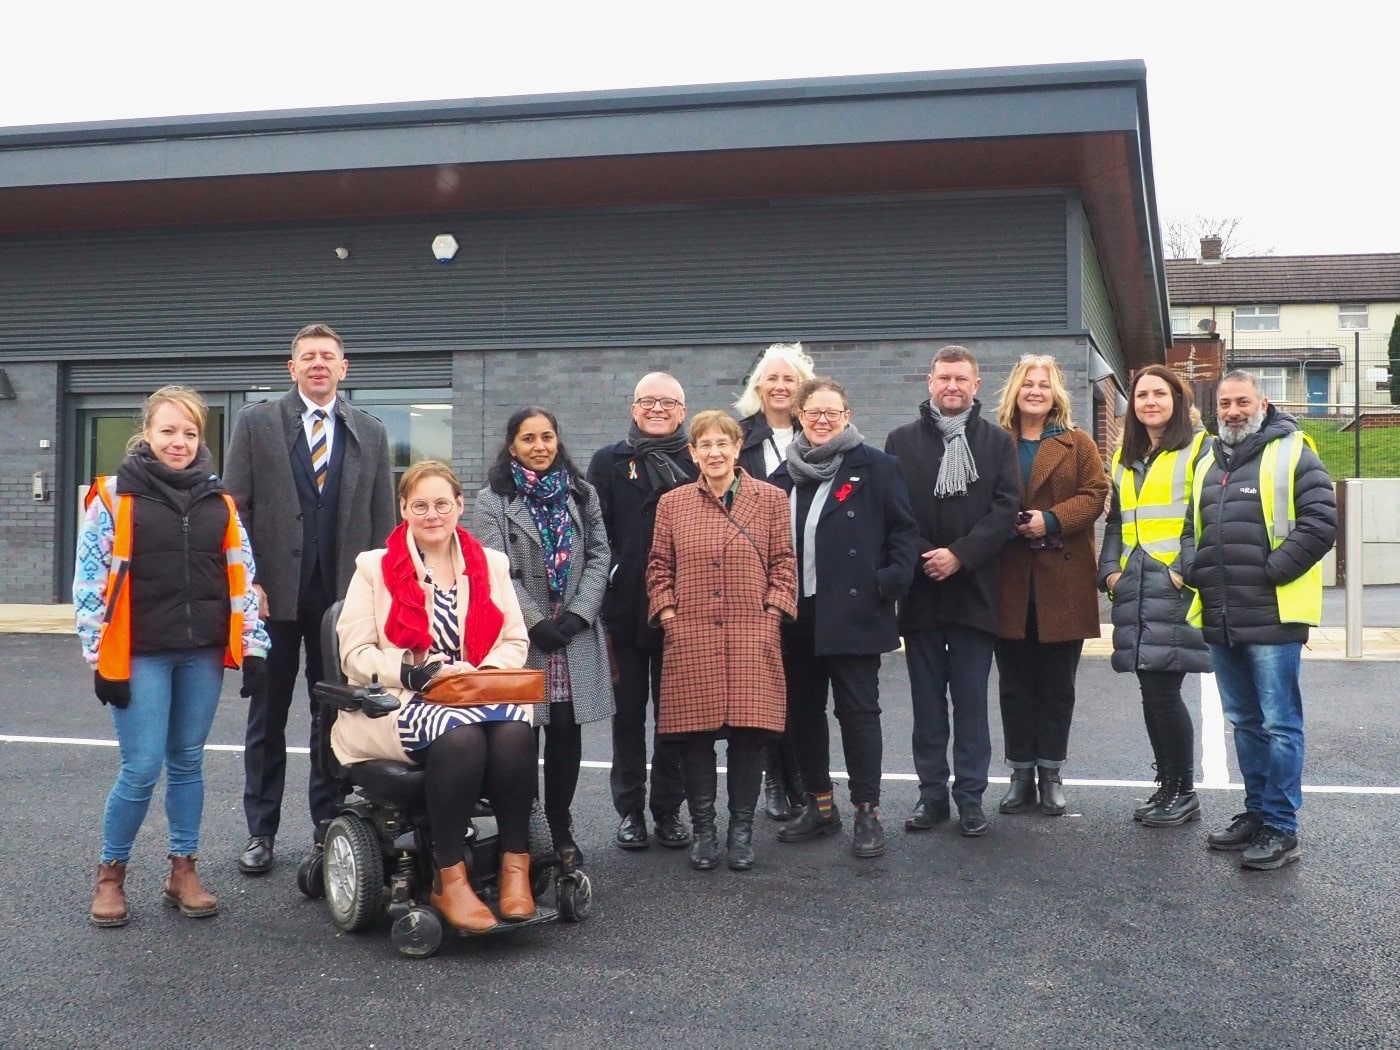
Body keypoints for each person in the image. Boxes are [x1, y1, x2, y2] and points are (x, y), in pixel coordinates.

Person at [75, 386, 270, 927]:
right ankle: (110, 875)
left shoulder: (220, 502)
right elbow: (90, 584)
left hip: (201, 653)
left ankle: (183, 869)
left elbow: (243, 578)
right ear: (146, 433)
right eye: (168, 431)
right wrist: (98, 658)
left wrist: (254, 646)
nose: (178, 442)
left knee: (187, 762)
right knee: (140, 768)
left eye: (189, 432)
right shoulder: (113, 498)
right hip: (138, 656)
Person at [333, 460, 535, 932]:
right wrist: (417, 672)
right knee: (460, 734)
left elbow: (515, 641)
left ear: (459, 506)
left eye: (442, 503)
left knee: (515, 729)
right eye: (420, 505)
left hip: (472, 688)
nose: (432, 514)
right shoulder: (375, 568)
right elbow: (355, 654)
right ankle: (450, 877)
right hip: (401, 698)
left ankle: (514, 865)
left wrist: (476, 671)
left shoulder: (491, 564)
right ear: (404, 508)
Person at [225, 323, 397, 876]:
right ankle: (261, 831)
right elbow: (236, 511)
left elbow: (383, 520)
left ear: (344, 369)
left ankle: (329, 824)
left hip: (341, 603)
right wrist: (247, 581)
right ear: (291, 368)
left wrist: (378, 596)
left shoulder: (369, 432)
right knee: (267, 715)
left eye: (328, 357)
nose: (318, 364)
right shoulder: (256, 425)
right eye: (308, 357)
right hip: (272, 596)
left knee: (334, 714)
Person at [1182, 370, 1335, 870]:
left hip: (1273, 615)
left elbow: (1320, 522)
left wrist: (1272, 571)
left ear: (1263, 403)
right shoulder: (1208, 460)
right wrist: (1193, 565)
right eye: (1225, 403)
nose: (1233, 411)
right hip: (1223, 614)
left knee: (1279, 724)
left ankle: (1281, 827)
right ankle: (1254, 812)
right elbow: (1191, 527)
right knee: (1245, 723)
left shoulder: (1293, 452)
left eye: (1242, 401)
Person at [769, 379, 921, 857]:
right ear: (799, 414)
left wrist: (886, 582)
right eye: (813, 412)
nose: (822, 420)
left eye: (831, 412)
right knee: (804, 714)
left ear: (847, 414)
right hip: (797, 615)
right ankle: (819, 805)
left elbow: (905, 533)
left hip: (856, 610)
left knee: (858, 714)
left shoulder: (876, 467)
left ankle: (867, 811)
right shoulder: (780, 477)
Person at [646, 411, 797, 870]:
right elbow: (657, 567)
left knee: (750, 737)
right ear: (692, 453)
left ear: (737, 448)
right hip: (691, 633)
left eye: (722, 444)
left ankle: (742, 833)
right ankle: (705, 832)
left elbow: (784, 564)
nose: (714, 453)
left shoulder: (770, 498)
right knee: (696, 738)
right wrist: (669, 613)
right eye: (704, 445)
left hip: (753, 631)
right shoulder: (672, 504)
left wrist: (772, 612)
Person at [472, 406, 615, 872]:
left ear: (558, 441)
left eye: (547, 437)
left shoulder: (582, 493)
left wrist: (577, 616)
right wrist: (534, 621)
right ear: (512, 445)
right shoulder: (493, 499)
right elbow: (496, 568)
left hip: (573, 631)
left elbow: (599, 555)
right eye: (529, 438)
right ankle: (523, 827)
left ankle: (560, 825)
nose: (540, 446)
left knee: (566, 731)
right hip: (521, 633)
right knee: (520, 733)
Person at [885, 346, 1019, 837]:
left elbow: (1005, 509)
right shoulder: (900, 442)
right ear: (930, 382)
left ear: (976, 385)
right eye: (944, 378)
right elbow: (894, 512)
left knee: (970, 703)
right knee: (926, 703)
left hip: (975, 591)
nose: (952, 386)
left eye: (961, 378)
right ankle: (931, 796)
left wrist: (959, 555)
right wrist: (928, 556)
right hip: (921, 591)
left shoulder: (996, 442)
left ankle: (970, 797)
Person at [587, 373, 699, 851]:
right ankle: (630, 811)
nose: (657, 408)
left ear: (683, 409)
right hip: (624, 611)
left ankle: (669, 811)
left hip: (682, 611)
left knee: (675, 718)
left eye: (667, 402)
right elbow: (594, 533)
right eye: (647, 401)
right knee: (628, 717)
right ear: (634, 409)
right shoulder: (608, 462)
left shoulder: (698, 461)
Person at [993, 355, 1109, 816]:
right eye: (1027, 384)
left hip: (1062, 577)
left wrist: (1052, 519)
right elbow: (980, 496)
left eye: (1044, 384)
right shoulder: (993, 442)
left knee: (1058, 686)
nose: (1035, 391)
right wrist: (1010, 524)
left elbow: (1096, 494)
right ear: (1015, 392)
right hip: (1009, 577)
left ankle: (1051, 774)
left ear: (1056, 393)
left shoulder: (1077, 442)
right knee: (1014, 685)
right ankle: (1020, 773)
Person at [1099, 365, 1213, 827]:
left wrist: (1184, 568)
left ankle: (1183, 790)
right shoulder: (1126, 457)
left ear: (1177, 400)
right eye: (1142, 394)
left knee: (1163, 691)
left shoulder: (1199, 449)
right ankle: (1168, 786)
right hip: (1135, 586)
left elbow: (1205, 514)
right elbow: (1115, 522)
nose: (1150, 402)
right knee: (1151, 691)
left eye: (1159, 394)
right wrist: (1109, 571)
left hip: (1172, 586)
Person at [733, 341, 817, 820]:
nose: (781, 386)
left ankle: (803, 775)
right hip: (754, 580)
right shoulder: (740, 438)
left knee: (802, 686)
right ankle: (774, 779)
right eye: (772, 378)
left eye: (790, 378)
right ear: (758, 387)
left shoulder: (820, 432)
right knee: (763, 683)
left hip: (809, 578)